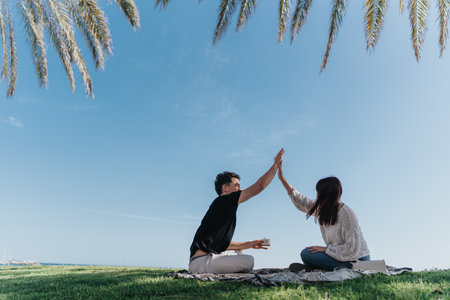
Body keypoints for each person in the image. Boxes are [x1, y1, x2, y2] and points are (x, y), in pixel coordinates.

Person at [189, 148, 285, 274]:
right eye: (237, 185)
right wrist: (276, 165)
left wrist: (250, 244)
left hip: (202, 260)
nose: (240, 189)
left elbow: (221, 245)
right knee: (249, 260)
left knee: (239, 251)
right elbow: (259, 186)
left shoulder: (221, 206)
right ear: (225, 188)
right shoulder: (224, 200)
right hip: (201, 263)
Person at [277, 160, 370, 272]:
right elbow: (301, 201)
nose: (316, 195)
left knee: (308, 255)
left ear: (326, 196)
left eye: (318, 192)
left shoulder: (347, 214)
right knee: (307, 253)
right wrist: (282, 178)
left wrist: (326, 250)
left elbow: (352, 249)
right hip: (337, 256)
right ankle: (315, 266)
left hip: (357, 259)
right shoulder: (323, 209)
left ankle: (315, 267)